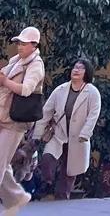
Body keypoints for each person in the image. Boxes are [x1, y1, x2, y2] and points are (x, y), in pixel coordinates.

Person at [36, 59, 100, 201]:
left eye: (81, 68)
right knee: (47, 158)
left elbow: (93, 115)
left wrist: (85, 133)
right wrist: (38, 133)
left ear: (87, 73)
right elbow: (47, 111)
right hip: (59, 133)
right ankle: (47, 183)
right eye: (75, 67)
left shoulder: (92, 92)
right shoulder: (61, 89)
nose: (76, 70)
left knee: (69, 172)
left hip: (78, 138)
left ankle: (62, 199)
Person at [0, 28, 46, 216]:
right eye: (19, 43)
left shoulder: (36, 65)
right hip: (3, 115)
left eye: (24, 43)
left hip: (15, 120)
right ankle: (17, 197)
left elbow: (27, 89)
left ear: (34, 45)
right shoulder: (16, 61)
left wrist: (5, 82)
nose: (19, 46)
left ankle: (17, 197)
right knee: (2, 163)